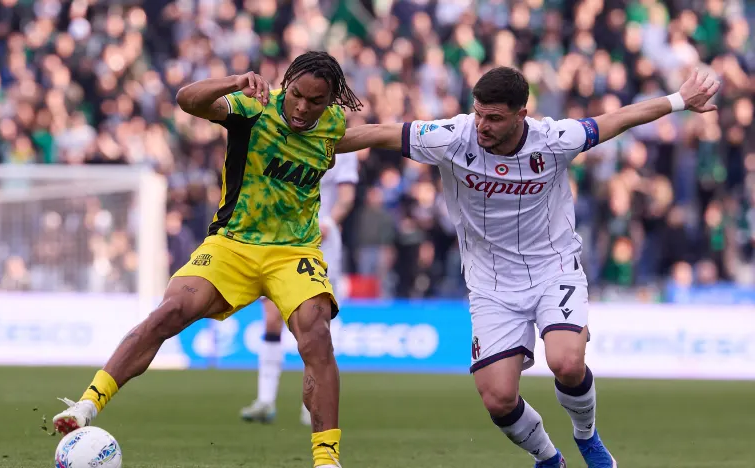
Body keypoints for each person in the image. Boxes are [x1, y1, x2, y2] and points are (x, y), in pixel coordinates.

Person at [336, 66, 719, 468]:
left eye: (494, 118)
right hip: (490, 284)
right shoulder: (451, 137)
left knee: (567, 363)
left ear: (521, 115)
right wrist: (311, 141)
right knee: (498, 399)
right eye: (478, 113)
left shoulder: (555, 139)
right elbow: (379, 133)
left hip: (553, 269)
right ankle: (549, 458)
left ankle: (587, 438)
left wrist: (678, 101)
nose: (482, 125)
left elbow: (617, 119)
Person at [52, 51, 362, 468]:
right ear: (286, 85)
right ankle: (86, 406)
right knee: (170, 311)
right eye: (298, 95)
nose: (303, 107)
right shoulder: (254, 106)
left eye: (316, 101)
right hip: (232, 243)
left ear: (330, 100)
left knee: (316, 336)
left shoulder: (333, 126)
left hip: (294, 251)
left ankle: (326, 461)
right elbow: (187, 100)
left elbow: (380, 135)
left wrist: (442, 134)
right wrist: (234, 81)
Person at [240, 150, 359, 426]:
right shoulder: (288, 134)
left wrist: (328, 222)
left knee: (316, 322)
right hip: (283, 234)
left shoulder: (343, 145)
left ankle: (313, 401)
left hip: (321, 237)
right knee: (271, 317)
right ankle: (266, 400)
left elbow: (346, 198)